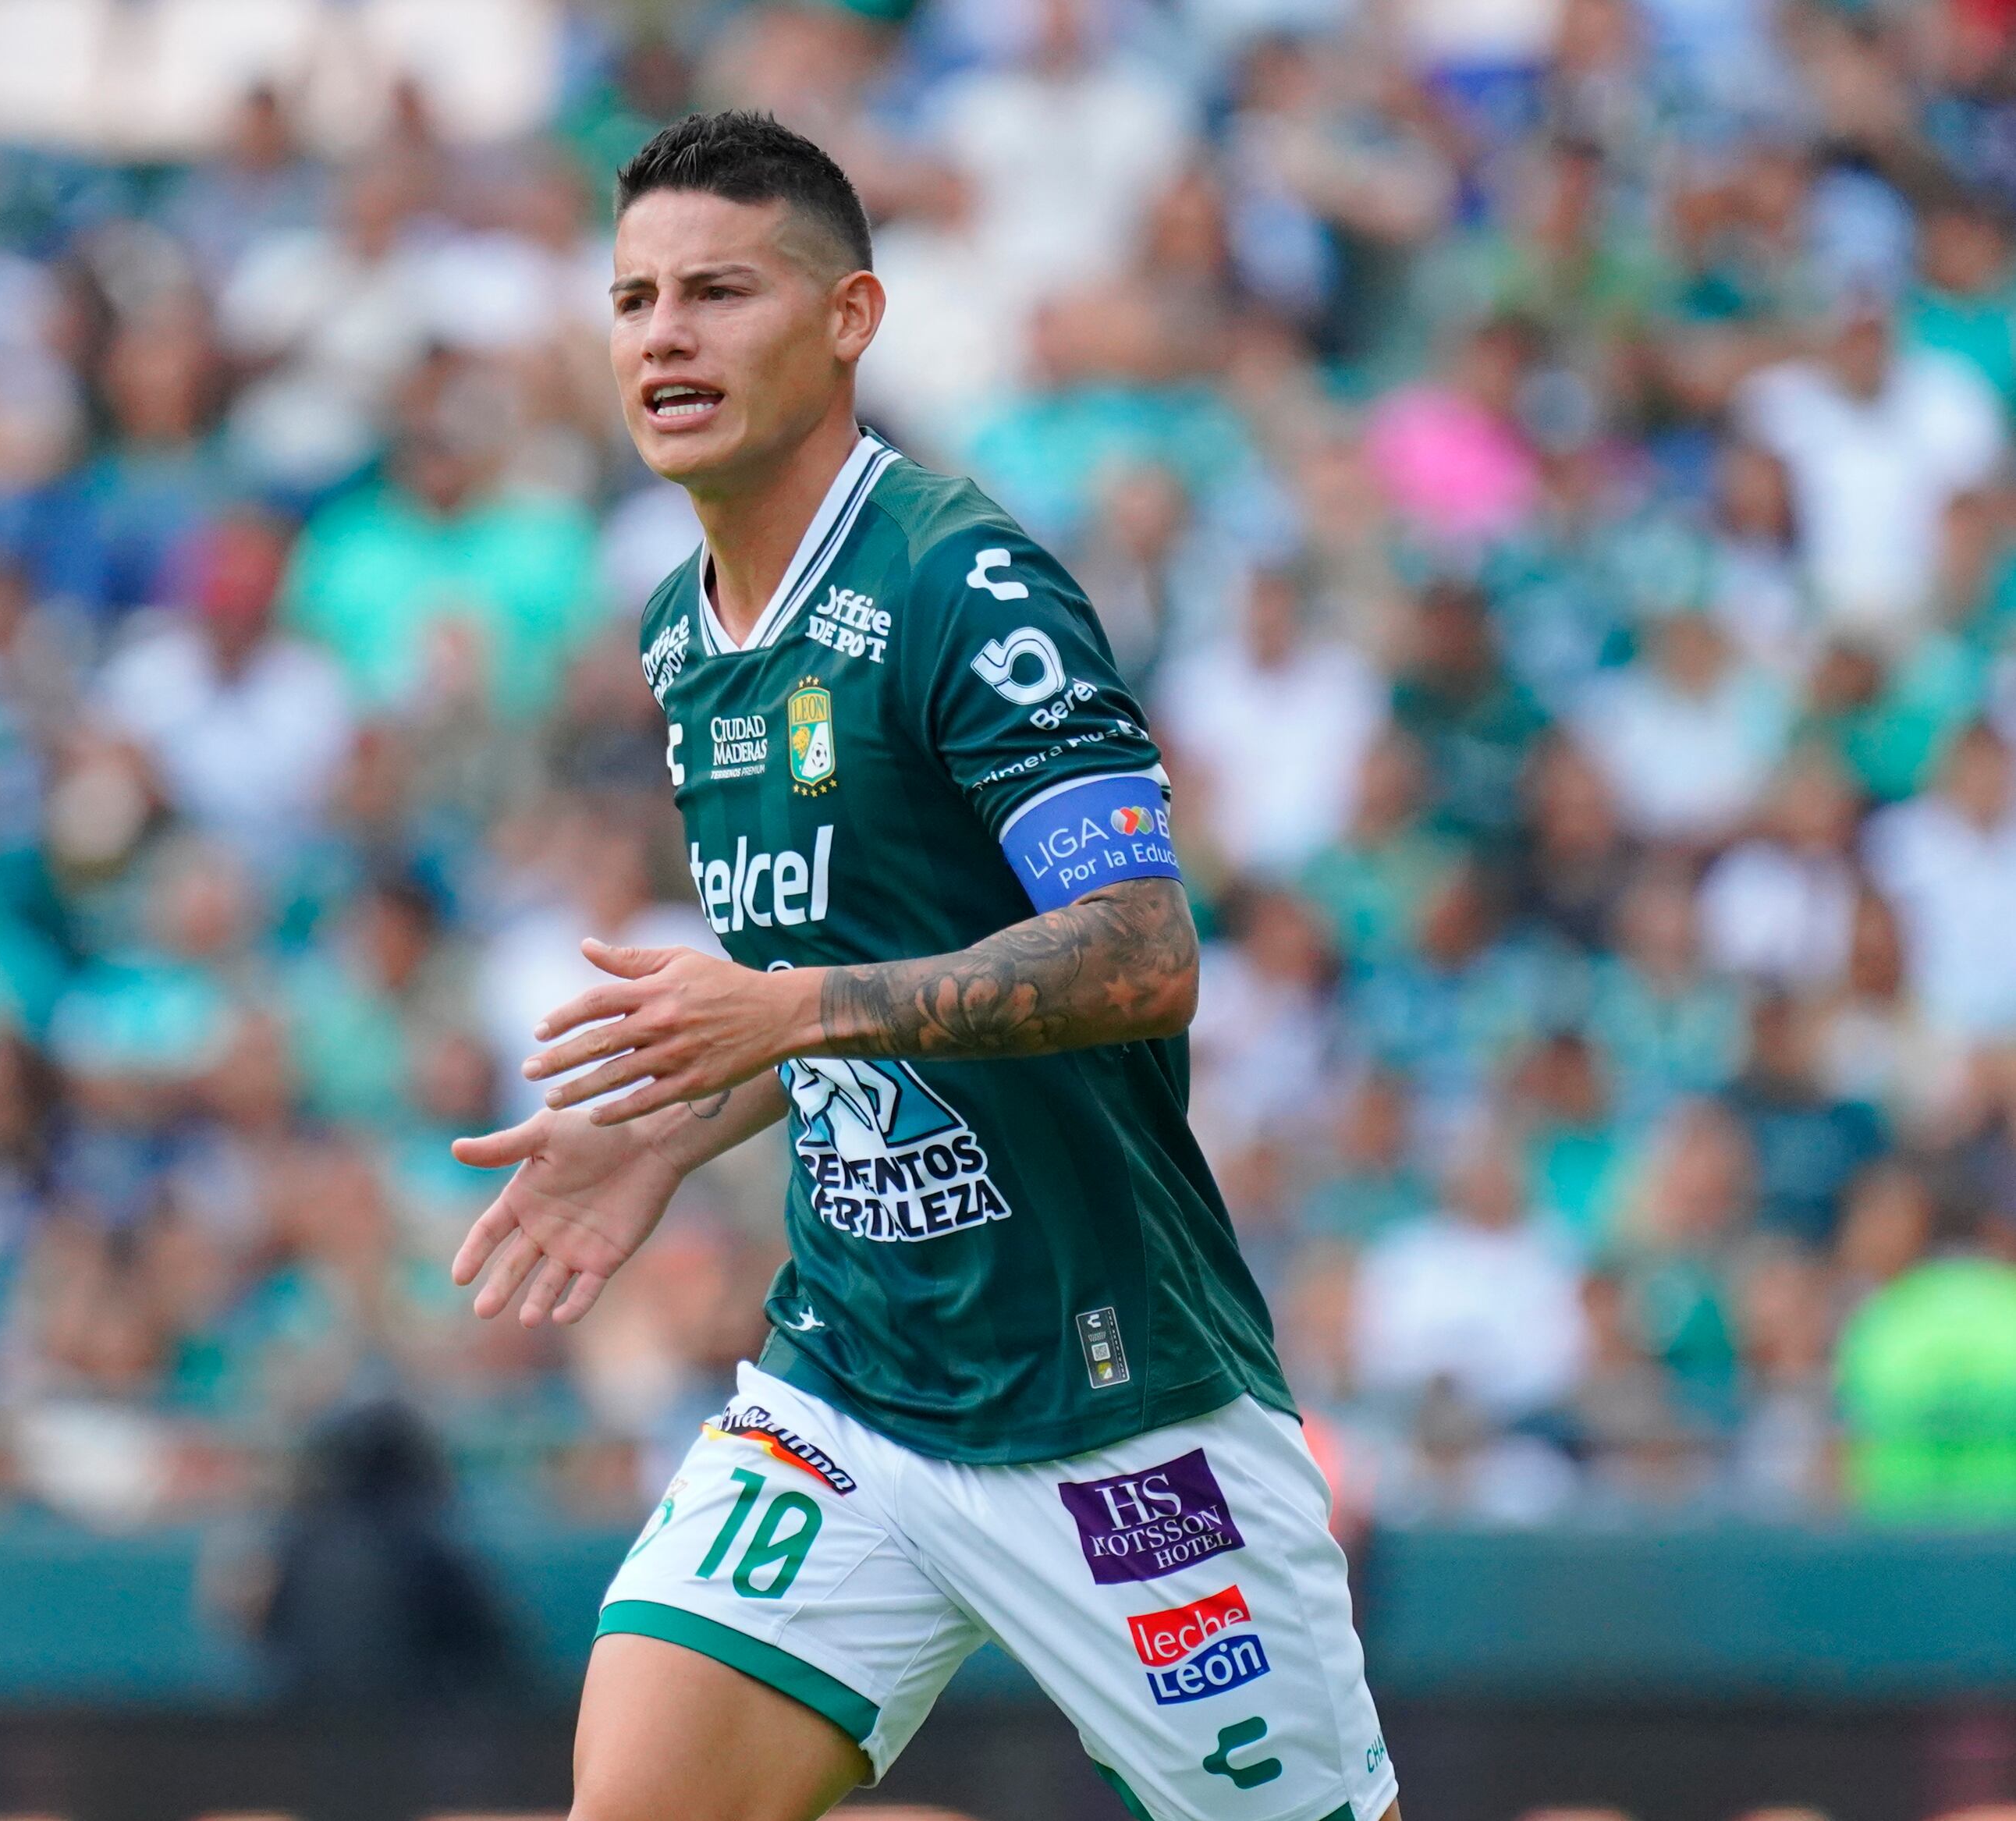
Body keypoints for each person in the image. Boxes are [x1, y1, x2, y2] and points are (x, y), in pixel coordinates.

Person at [449, 114, 1398, 1821]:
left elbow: (1139, 950)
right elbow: (840, 971)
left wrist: (793, 1010)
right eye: (633, 298)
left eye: (719, 291)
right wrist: (665, 1128)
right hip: (849, 1394)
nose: (662, 334)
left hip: (1117, 1413)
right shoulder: (683, 633)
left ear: (849, 319)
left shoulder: (965, 583)